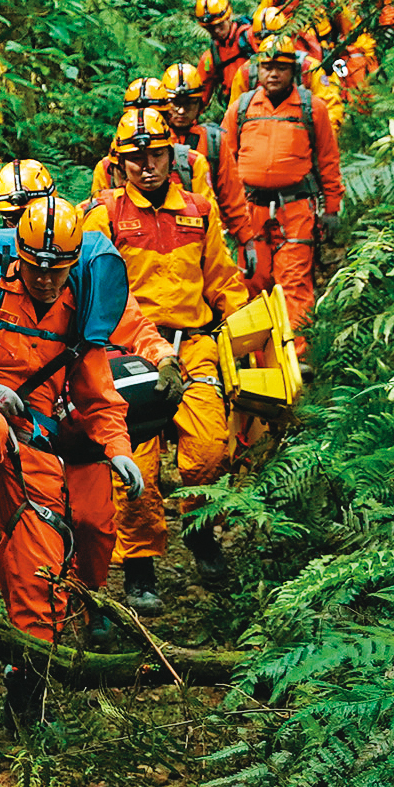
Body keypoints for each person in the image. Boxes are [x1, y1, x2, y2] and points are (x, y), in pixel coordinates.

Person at [0, 194, 145, 724]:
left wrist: (117, 450)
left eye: (58, 270)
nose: (46, 279)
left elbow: (98, 397)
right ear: (18, 253)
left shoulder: (78, 316)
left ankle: (28, 693)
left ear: (71, 266)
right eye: (37, 267)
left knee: (43, 567)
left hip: (33, 443)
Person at [85, 106, 252, 613]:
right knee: (136, 465)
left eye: (155, 154)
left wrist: (249, 340)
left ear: (171, 155)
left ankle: (200, 532)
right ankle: (139, 570)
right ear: (120, 162)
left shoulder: (201, 210)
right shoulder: (104, 213)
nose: (147, 166)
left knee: (207, 453)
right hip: (128, 349)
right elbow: (90, 285)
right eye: (135, 159)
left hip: (195, 342)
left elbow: (224, 280)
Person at [217, 34, 342, 335]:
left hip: (295, 209)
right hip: (250, 210)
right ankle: (254, 361)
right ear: (257, 70)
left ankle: (296, 358)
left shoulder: (313, 109)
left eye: (281, 68)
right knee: (251, 280)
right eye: (267, 67)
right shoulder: (242, 109)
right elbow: (223, 162)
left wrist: (332, 209)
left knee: (294, 283)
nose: (273, 74)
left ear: (293, 72)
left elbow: (328, 161)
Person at [91, 62, 217, 202]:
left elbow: (209, 212)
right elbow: (97, 213)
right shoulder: (107, 168)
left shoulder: (191, 162)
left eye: (153, 116)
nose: (144, 123)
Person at [194, 0, 249, 104]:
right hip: (235, 107)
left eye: (220, 25)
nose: (216, 31)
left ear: (228, 17)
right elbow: (201, 93)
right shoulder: (210, 57)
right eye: (210, 28)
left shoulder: (249, 37)